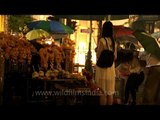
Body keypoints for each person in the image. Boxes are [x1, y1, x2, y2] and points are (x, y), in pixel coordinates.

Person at [95, 21, 117, 105]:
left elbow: (98, 56)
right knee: (110, 93)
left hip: (102, 69)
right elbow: (115, 57)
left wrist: (97, 50)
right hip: (111, 69)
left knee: (102, 92)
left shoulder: (102, 41)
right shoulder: (114, 42)